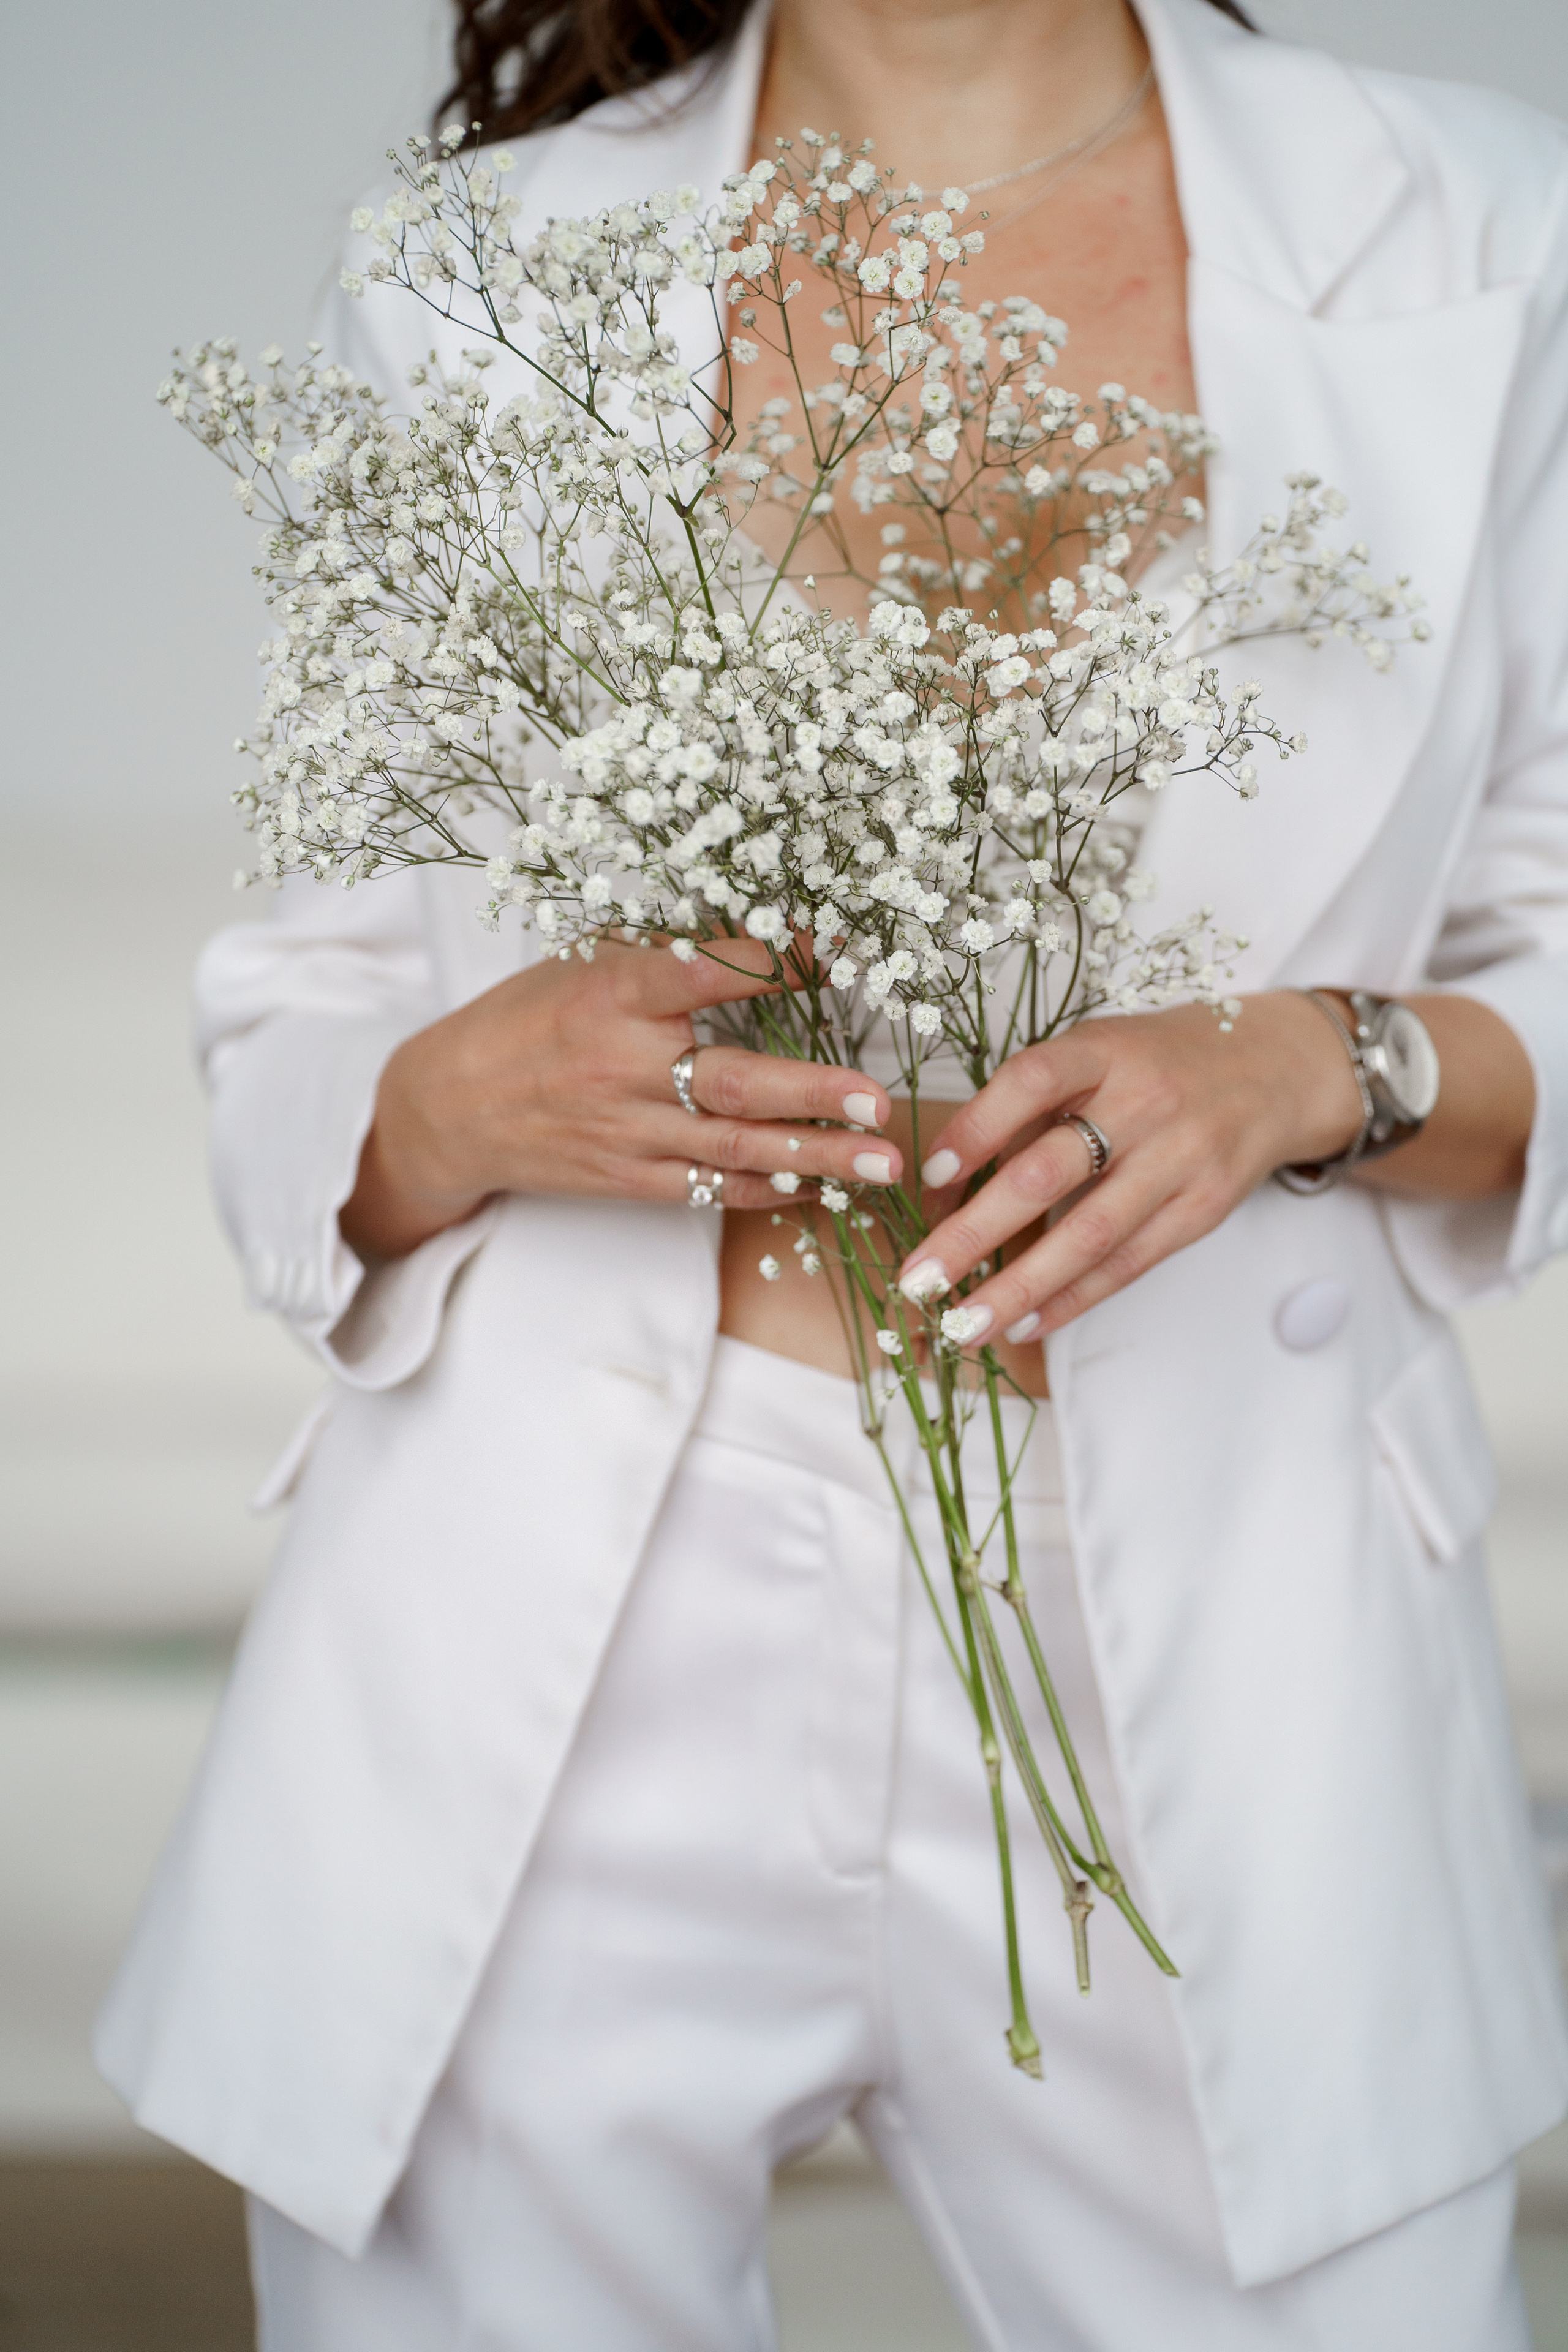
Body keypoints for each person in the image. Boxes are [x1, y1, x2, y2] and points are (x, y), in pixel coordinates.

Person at [96, 0, 1568, 2342]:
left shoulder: (1489, 224)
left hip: (1218, 1596)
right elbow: (299, 1017)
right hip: (573, 1609)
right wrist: (452, 1102)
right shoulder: (469, 269)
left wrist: (1317, 1061)